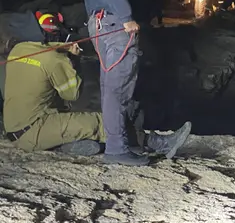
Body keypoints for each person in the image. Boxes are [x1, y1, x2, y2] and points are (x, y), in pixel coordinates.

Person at [83, 0, 191, 166]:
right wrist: (126, 18)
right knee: (118, 88)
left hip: (98, 23)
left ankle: (124, 143)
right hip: (115, 25)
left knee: (110, 87)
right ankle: (117, 150)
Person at [2, 11, 191, 158]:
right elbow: (72, 94)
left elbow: (42, 57)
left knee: (74, 120)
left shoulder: (18, 50)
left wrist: (62, 49)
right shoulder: (54, 59)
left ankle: (65, 145)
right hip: (34, 130)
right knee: (102, 122)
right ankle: (158, 143)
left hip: (15, 128)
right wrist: (73, 61)